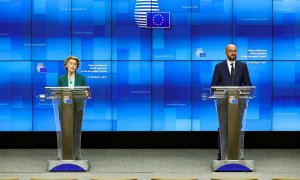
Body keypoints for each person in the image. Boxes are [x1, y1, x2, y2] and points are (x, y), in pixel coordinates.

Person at [211, 44, 252, 160]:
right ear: (226, 53)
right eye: (230, 51)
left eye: (235, 51)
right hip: (223, 104)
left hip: (239, 104)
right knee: (223, 129)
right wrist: (224, 92)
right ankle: (223, 155)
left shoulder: (242, 66)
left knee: (237, 128)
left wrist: (240, 91)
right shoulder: (219, 67)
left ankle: (238, 156)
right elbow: (214, 86)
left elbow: (248, 84)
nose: (233, 53)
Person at [57, 55, 87, 160]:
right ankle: (64, 155)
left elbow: (85, 92)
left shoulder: (81, 78)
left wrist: (86, 93)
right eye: (71, 63)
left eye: (75, 64)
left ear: (77, 66)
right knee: (65, 131)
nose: (73, 66)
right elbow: (58, 93)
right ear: (66, 65)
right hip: (64, 108)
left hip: (77, 107)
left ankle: (76, 155)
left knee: (76, 131)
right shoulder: (61, 78)